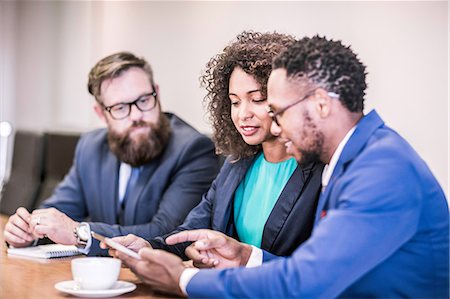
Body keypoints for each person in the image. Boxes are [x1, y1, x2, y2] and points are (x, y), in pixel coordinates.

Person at [109, 36, 449, 298]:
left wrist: (184, 279)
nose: (276, 126)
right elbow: (314, 272)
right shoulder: (357, 157)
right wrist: (245, 256)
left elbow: (306, 284)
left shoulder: (381, 170)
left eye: (277, 110)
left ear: (319, 105)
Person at [106, 31, 323, 263]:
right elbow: (192, 231)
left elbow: (315, 268)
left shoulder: (321, 171)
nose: (243, 114)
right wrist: (149, 247)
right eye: (235, 102)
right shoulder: (237, 164)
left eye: (257, 99)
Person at [3, 52, 220, 255]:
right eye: (120, 108)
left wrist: (80, 233)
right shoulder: (91, 146)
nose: (136, 115)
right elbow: (59, 212)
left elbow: (169, 232)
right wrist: (29, 230)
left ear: (157, 93)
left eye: (144, 100)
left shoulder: (193, 149)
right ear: (101, 113)